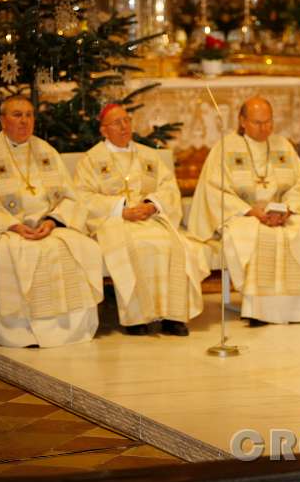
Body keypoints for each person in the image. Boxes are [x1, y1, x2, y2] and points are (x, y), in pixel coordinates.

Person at [0, 95, 104, 348]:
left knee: (77, 248)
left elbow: (71, 197)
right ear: (2, 120)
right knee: (16, 252)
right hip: (2, 230)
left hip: (47, 228)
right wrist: (14, 225)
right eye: (17, 115)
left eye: (29, 115)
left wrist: (51, 221)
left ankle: (65, 330)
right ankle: (20, 332)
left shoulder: (46, 151)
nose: (24, 121)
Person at [73, 104, 209, 336]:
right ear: (104, 130)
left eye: (127, 120)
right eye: (117, 123)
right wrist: (121, 210)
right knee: (133, 245)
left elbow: (169, 188)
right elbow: (82, 197)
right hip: (114, 222)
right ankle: (136, 318)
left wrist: (152, 205)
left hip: (152, 220)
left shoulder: (149, 155)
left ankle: (173, 316)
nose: (124, 126)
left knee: (172, 245)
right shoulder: (91, 160)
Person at [187, 96, 300, 326]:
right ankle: (257, 311)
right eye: (258, 122)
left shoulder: (282, 145)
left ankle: (299, 311)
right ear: (242, 121)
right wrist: (250, 211)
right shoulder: (225, 147)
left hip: (282, 215)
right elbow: (214, 190)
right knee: (254, 236)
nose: (265, 128)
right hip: (244, 216)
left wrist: (287, 209)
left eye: (268, 121)